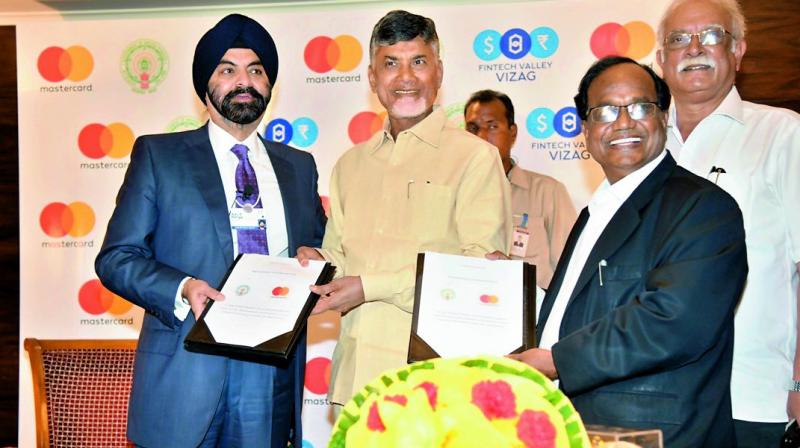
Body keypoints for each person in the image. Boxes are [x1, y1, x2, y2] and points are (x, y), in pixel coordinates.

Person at [95, 14, 326, 447]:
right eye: (227, 70)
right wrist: (182, 288)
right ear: (206, 87)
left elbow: (320, 249)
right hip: (187, 368)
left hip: (270, 373)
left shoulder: (299, 166)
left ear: (269, 86)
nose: (244, 81)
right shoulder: (159, 156)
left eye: (256, 70)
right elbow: (116, 258)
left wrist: (319, 259)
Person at [510, 56, 747, 446]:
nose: (623, 123)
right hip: (578, 429)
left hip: (657, 434)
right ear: (585, 129)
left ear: (663, 117)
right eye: (605, 111)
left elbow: (675, 321)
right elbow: (585, 309)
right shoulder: (595, 212)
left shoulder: (702, 208)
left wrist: (555, 361)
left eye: (639, 107)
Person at [296, 10, 511, 409]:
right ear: (373, 77)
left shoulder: (475, 158)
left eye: (419, 62)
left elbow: (478, 274)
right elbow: (344, 257)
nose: (406, 78)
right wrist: (318, 262)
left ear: (439, 72)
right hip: (354, 383)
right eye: (391, 64)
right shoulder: (349, 165)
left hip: (436, 388)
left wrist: (371, 286)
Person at [657, 0, 800, 444]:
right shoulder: (641, 146)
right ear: (660, 60)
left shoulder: (783, 133)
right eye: (679, 39)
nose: (694, 48)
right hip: (656, 399)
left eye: (712, 36)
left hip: (752, 398)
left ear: (738, 50)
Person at [464, 90, 576, 290]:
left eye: (492, 126)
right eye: (473, 129)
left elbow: (572, 270)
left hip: (533, 314)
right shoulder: (454, 193)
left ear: (512, 132)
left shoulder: (548, 192)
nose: (481, 137)